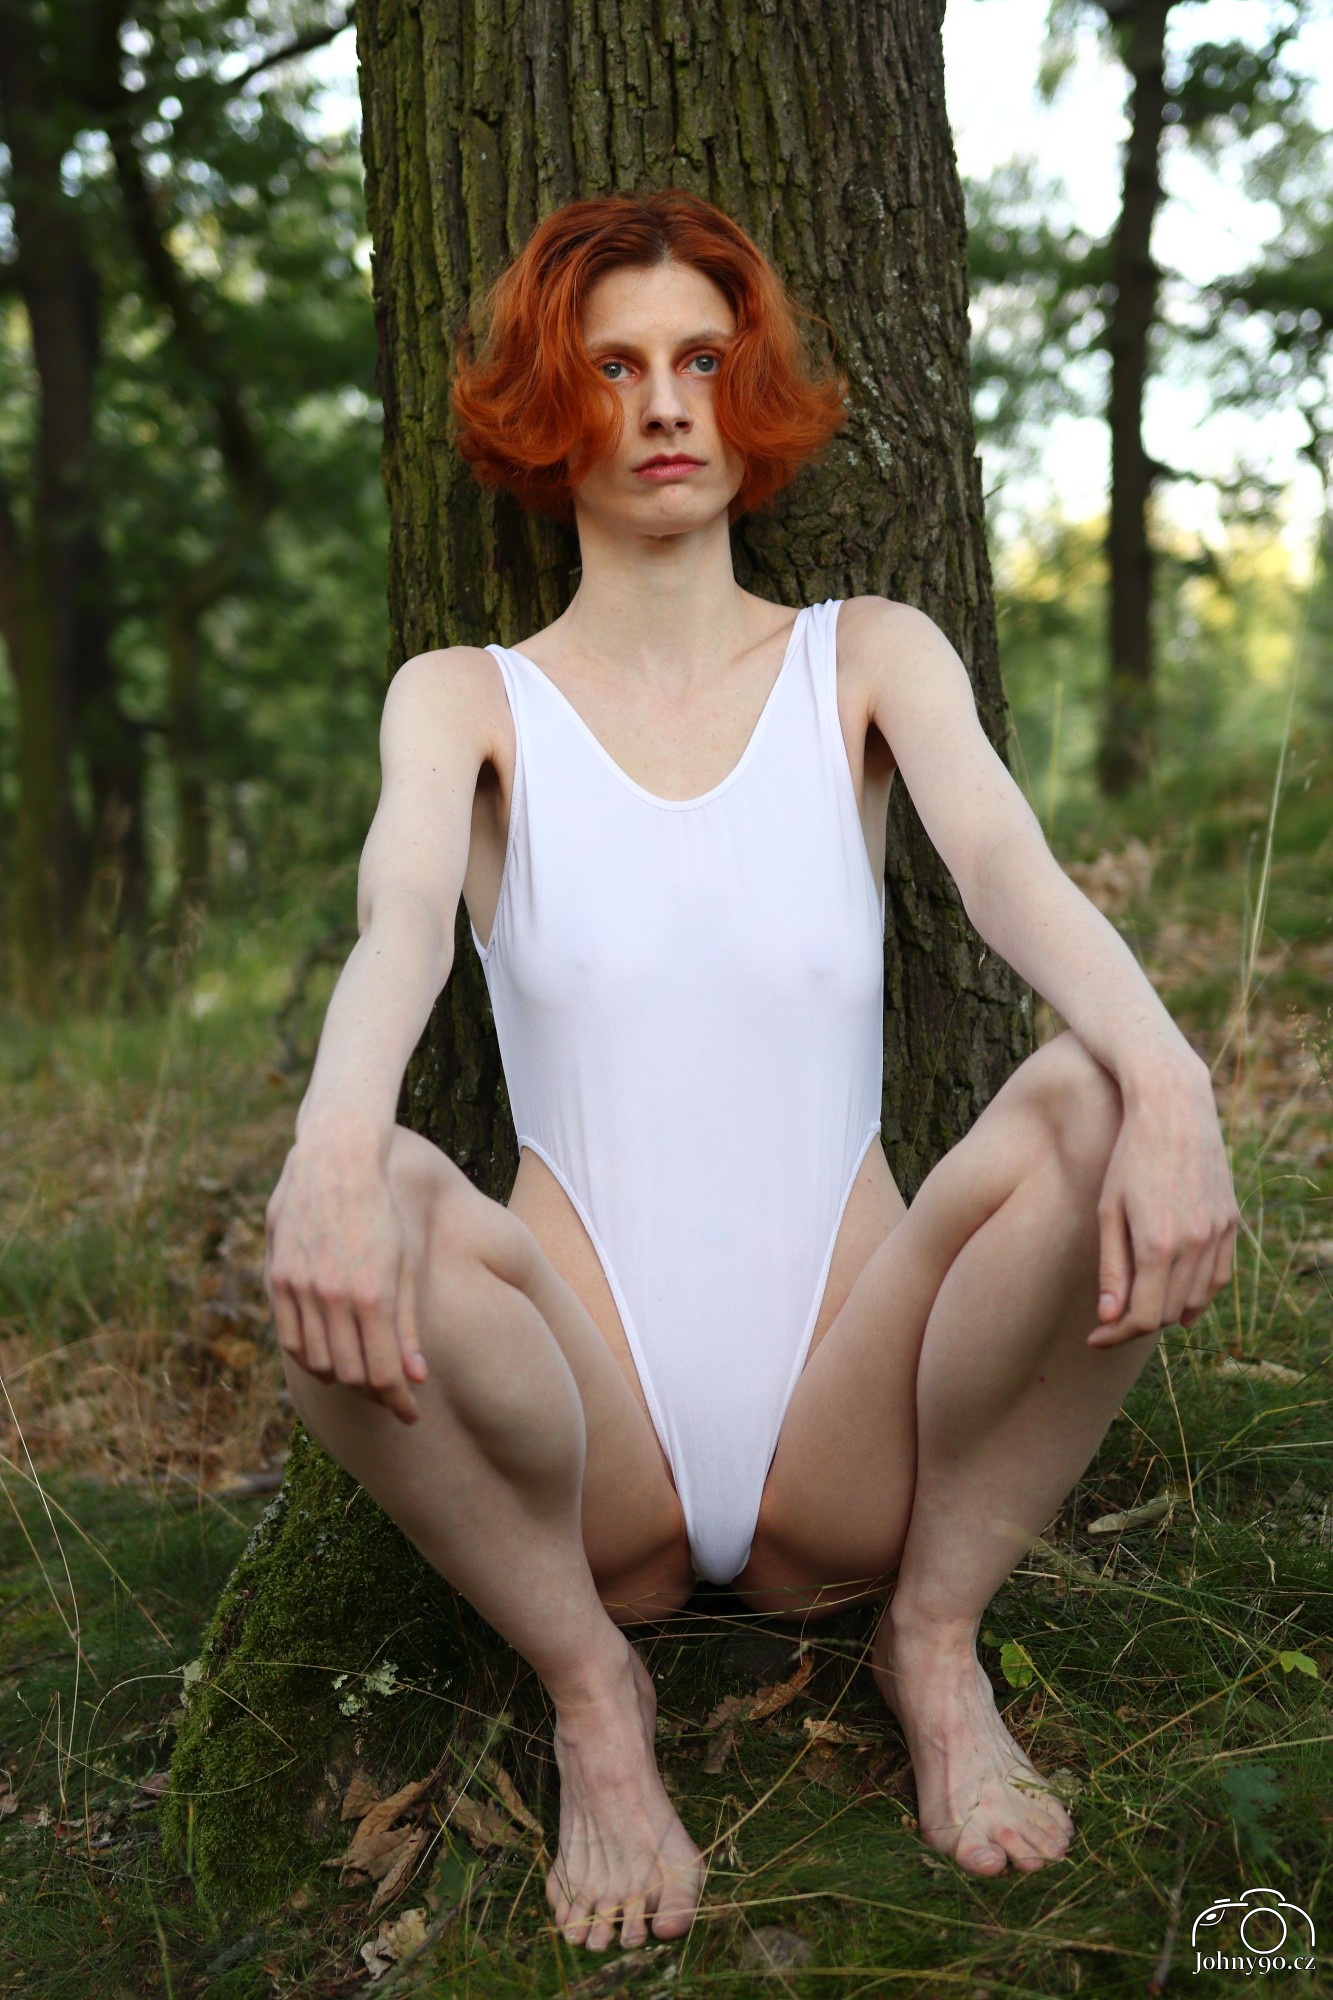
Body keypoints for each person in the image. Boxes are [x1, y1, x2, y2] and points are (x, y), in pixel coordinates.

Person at [263, 190, 1238, 1954]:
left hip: (850, 1424)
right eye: (613, 365)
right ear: (552, 400)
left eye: (702, 361)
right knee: (364, 1197)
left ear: (749, 387)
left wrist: (1173, 1078)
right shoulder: (462, 700)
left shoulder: (863, 657)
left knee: (1102, 1098)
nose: (662, 403)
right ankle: (593, 1698)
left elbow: (1007, 871)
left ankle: (930, 1642)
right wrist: (332, 1143)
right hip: (593, 1455)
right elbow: (397, 928)